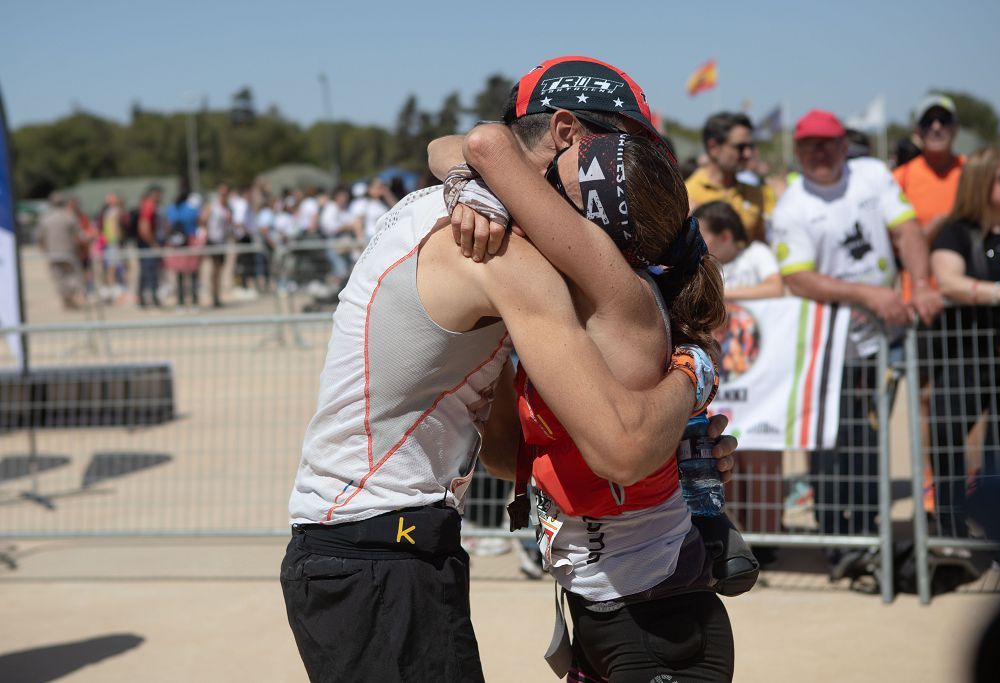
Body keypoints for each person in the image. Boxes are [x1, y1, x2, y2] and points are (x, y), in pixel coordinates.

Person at [280, 55, 739, 683]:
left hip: (387, 546)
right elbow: (625, 447)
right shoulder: (496, 248)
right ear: (570, 136)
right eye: (621, 156)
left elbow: (502, 458)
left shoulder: (447, 206)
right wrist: (696, 368)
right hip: (378, 550)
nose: (626, 184)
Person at [771, 109, 944, 575]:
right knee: (830, 441)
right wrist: (869, 295)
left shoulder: (871, 175)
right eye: (810, 145)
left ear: (845, 145)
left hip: (881, 339)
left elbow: (907, 230)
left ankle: (868, 531)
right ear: (799, 151)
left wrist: (923, 284)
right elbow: (798, 277)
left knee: (870, 438)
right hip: (828, 348)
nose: (821, 152)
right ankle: (836, 536)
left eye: (829, 143)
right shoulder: (792, 207)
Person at [928, 147, 1000, 537]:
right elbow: (947, 280)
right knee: (947, 438)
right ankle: (951, 531)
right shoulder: (956, 231)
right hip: (965, 355)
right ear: (981, 182)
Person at [696, 201, 783, 557]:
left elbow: (776, 289)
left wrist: (725, 297)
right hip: (726, 375)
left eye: (705, 237)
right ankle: (735, 537)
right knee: (726, 456)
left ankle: (769, 539)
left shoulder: (758, 255)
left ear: (726, 236)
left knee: (761, 456)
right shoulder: (703, 265)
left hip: (760, 374)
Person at [686, 112, 775, 243]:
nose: (748, 154)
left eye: (750, 147)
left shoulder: (756, 194)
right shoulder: (687, 195)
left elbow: (760, 245)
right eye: (740, 147)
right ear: (713, 148)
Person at [892, 95, 965, 242]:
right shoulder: (900, 178)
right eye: (927, 122)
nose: (936, 127)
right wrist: (931, 229)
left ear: (956, 128)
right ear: (917, 131)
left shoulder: (973, 171)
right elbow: (893, 240)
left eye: (944, 120)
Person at [36, 191, 87, 310]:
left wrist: (44, 250)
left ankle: (66, 299)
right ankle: (70, 298)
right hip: (69, 253)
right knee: (72, 277)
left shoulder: (46, 219)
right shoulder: (69, 217)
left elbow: (40, 238)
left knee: (59, 278)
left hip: (53, 254)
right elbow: (79, 235)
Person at [163, 191, 203, 310]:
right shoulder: (191, 209)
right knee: (193, 273)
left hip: (176, 244)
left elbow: (168, 225)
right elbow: (198, 222)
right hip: (190, 242)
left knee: (179, 274)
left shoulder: (170, 209)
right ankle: (194, 301)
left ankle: (180, 302)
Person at [200, 184, 231, 308]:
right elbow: (203, 220)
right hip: (213, 240)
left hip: (222, 241)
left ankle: (217, 294)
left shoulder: (227, 207)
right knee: (214, 270)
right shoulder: (212, 206)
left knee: (219, 269)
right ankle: (213, 295)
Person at [135, 185, 164, 308]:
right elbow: (144, 227)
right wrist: (153, 243)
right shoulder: (149, 206)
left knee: (148, 271)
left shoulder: (147, 205)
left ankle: (146, 297)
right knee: (148, 271)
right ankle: (148, 298)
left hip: (147, 243)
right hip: (147, 244)